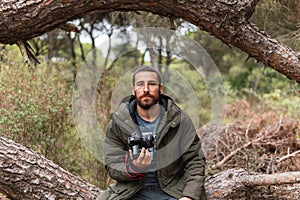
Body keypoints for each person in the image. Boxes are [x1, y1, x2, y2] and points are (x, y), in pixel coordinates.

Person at [99, 65, 207, 200]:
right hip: (132, 191)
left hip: (172, 190)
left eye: (151, 84)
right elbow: (112, 165)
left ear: (160, 89)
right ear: (133, 90)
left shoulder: (179, 121)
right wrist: (133, 168)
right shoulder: (118, 123)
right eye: (140, 85)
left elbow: (195, 161)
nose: (146, 89)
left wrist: (189, 196)